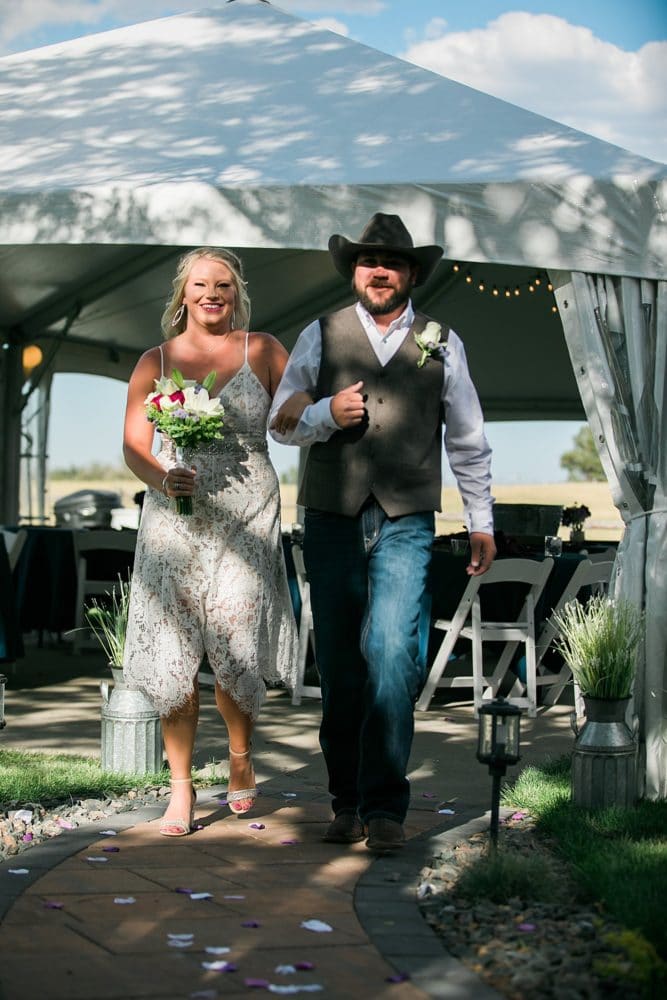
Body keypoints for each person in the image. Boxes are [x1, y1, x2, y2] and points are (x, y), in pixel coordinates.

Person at [269, 213, 496, 854]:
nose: (378, 270)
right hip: (332, 518)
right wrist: (324, 412)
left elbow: (470, 439)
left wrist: (482, 520)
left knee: (395, 657)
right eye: (368, 261)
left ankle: (386, 807)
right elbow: (281, 424)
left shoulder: (442, 341)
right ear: (354, 271)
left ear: (411, 273)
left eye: (391, 262)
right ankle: (346, 801)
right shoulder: (321, 332)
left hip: (407, 521)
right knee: (341, 666)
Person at [123, 247, 298, 837]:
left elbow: (298, 414)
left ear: (236, 291)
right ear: (183, 293)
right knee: (174, 651)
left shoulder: (265, 350)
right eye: (201, 284)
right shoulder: (156, 361)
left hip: (248, 512)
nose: (212, 294)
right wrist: (159, 477)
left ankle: (241, 756)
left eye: (223, 284)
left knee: (236, 634)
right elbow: (133, 447)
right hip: (174, 515)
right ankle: (180, 788)